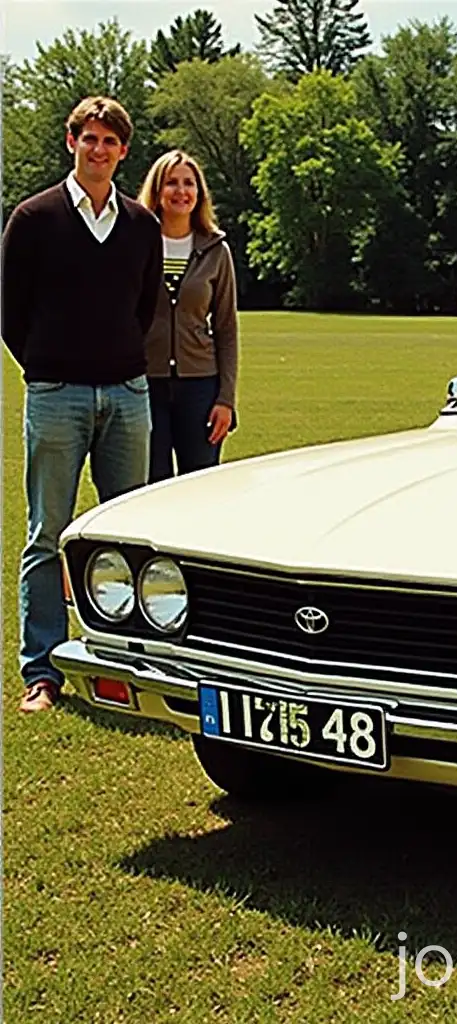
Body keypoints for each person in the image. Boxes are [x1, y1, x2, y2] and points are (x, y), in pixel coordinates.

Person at [1, 96, 163, 713]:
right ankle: (42, 671)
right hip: (56, 395)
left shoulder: (141, 225)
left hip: (127, 395)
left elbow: (141, 310)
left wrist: (115, 364)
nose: (99, 150)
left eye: (110, 142)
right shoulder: (34, 217)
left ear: (124, 152)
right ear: (72, 143)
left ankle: (130, 663)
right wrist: (46, 367)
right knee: (47, 534)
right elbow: (10, 311)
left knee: (130, 535)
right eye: (88, 139)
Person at [136, 150, 239, 482]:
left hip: (201, 387)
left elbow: (226, 328)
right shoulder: (135, 242)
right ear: (157, 190)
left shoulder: (216, 250)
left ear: (200, 192)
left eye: (189, 183)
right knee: (151, 484)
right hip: (144, 385)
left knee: (200, 487)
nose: (181, 191)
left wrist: (225, 399)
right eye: (171, 183)